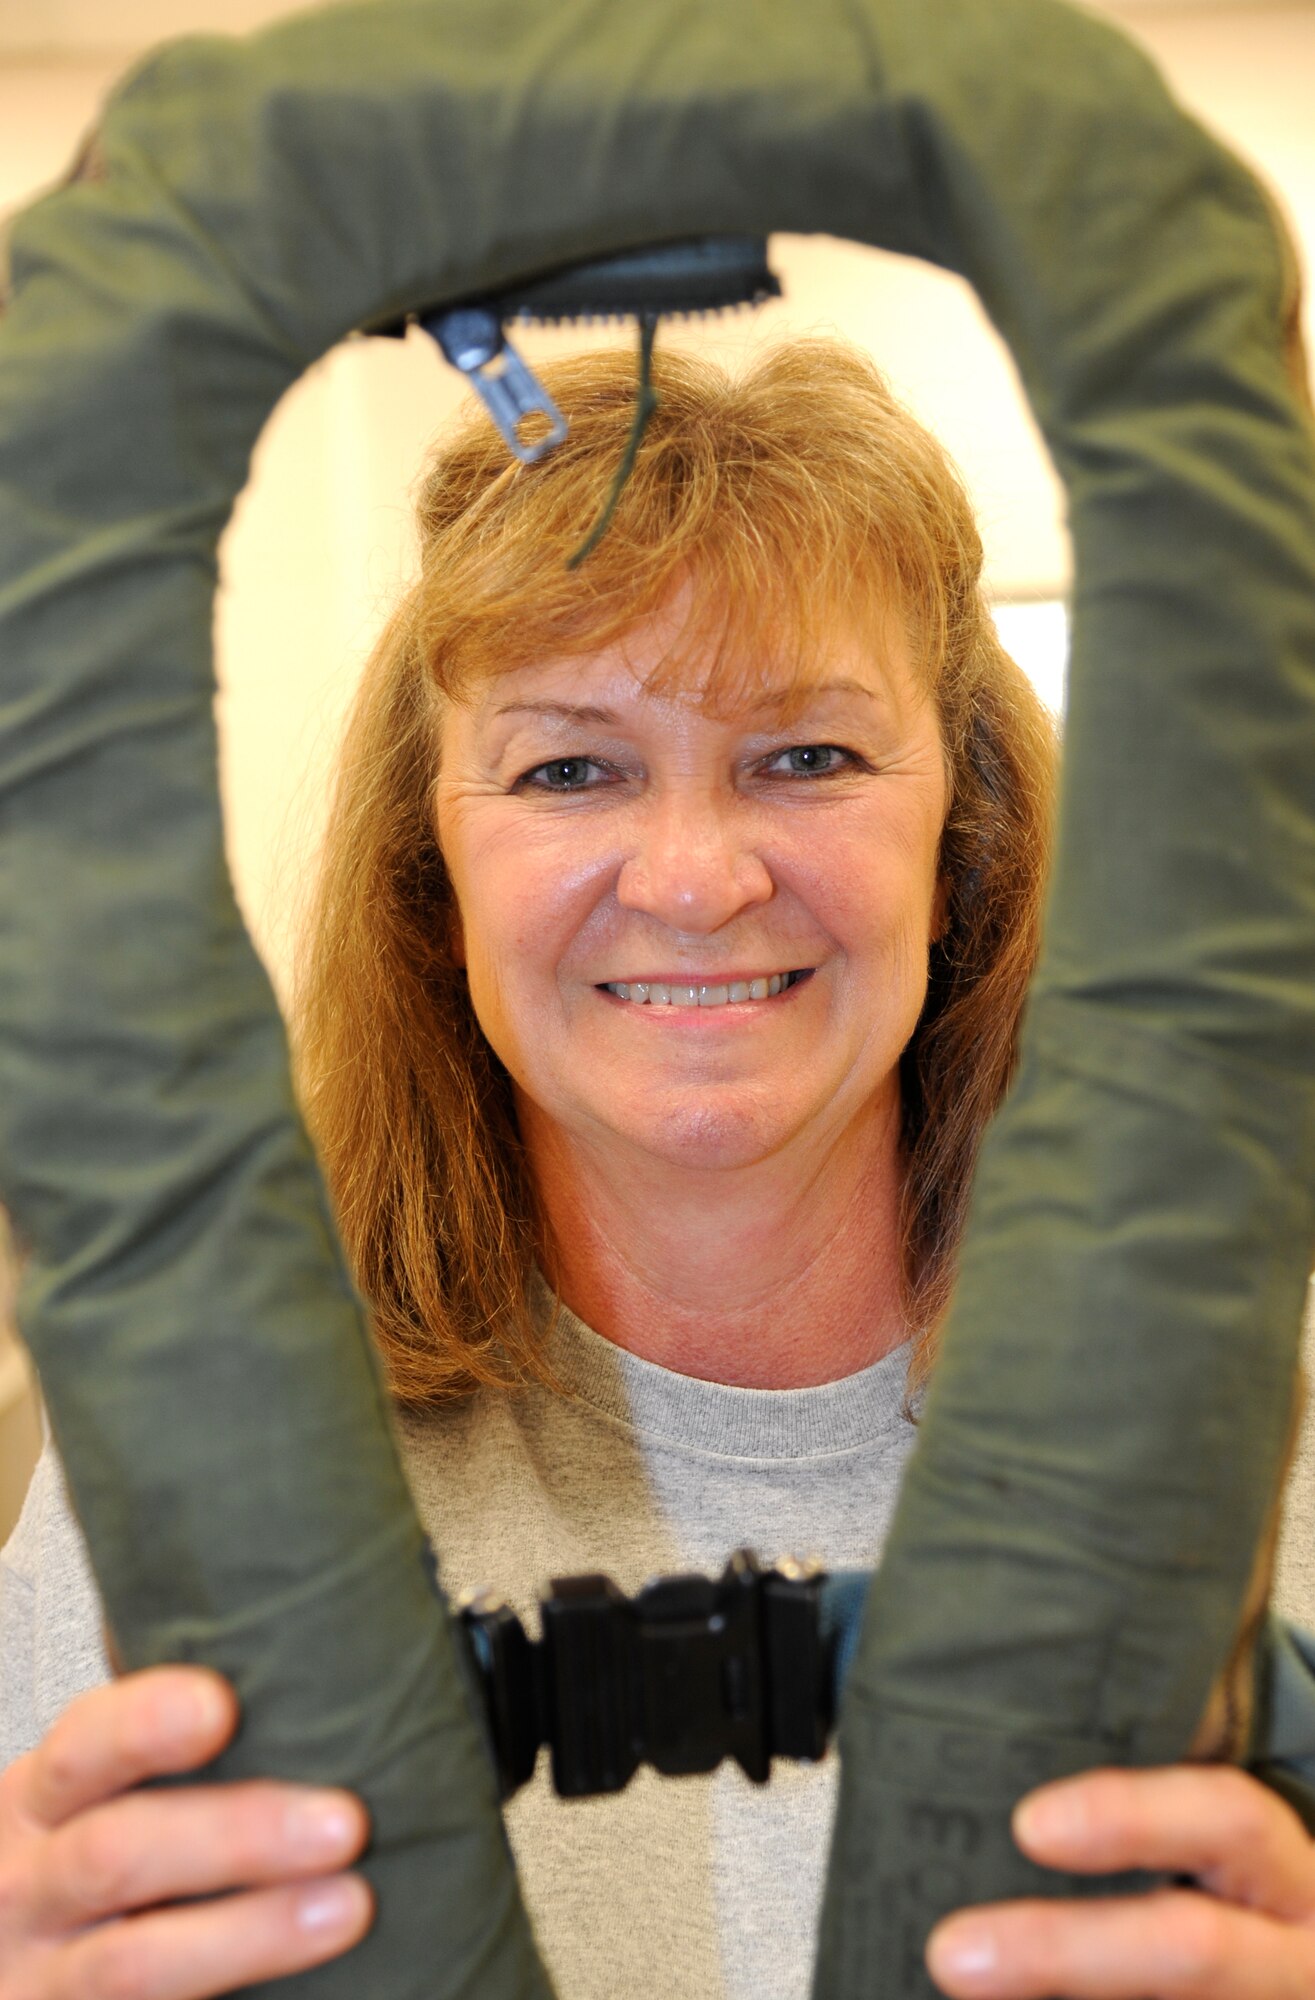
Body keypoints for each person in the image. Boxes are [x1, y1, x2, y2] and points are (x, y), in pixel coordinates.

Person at [2, 338, 1314, 2000]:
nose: (695, 879)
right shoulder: (205, 1478)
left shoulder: (1267, 1423)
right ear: (435, 873)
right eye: (569, 769)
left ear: (960, 838)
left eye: (808, 757)